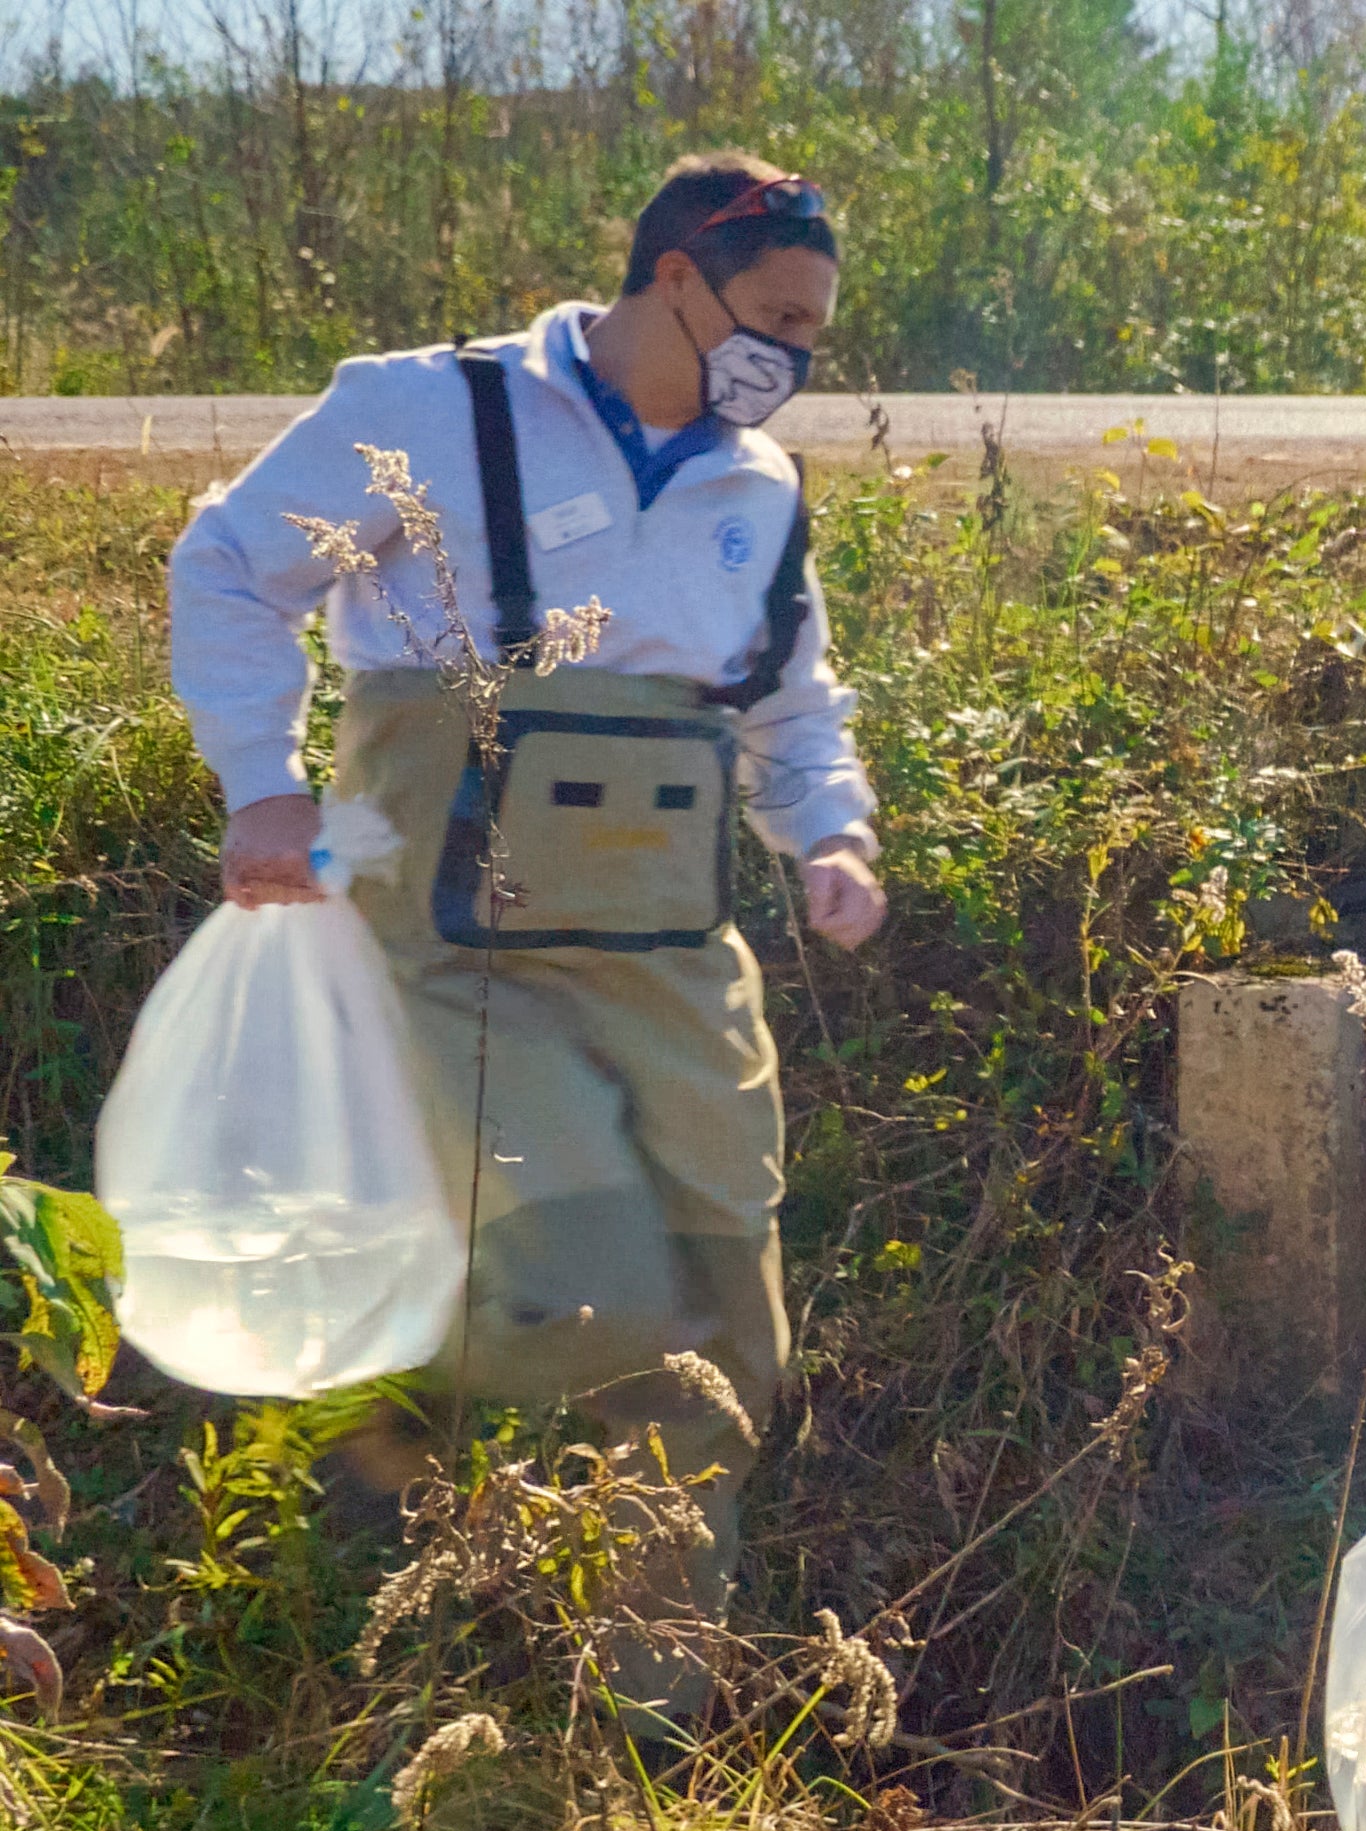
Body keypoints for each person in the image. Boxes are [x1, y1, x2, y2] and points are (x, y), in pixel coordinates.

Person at [167, 150, 885, 1726]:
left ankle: (647, 1728)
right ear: (678, 276)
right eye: (773, 316)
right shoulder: (435, 410)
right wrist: (261, 789)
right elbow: (228, 568)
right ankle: (389, 1437)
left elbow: (786, 700)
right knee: (591, 1298)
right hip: (450, 946)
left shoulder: (758, 488)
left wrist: (829, 834)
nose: (792, 359)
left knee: (728, 1354)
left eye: (816, 336)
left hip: (669, 945)